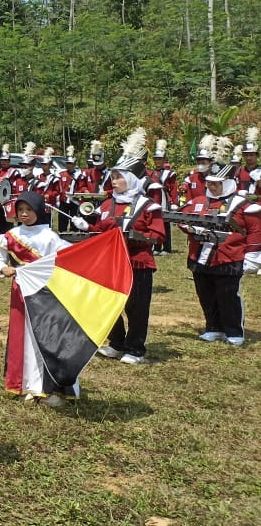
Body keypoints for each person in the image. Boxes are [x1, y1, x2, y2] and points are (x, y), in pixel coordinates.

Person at [75, 129, 165, 365]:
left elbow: (158, 236)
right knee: (109, 303)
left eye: (118, 177)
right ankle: (116, 343)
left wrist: (131, 235)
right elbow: (99, 230)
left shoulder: (148, 205)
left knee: (136, 307)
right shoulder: (107, 204)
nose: (113, 181)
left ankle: (135, 349)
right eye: (112, 177)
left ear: (132, 179)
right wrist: (86, 226)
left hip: (138, 263)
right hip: (111, 263)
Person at [0, 191, 75, 405]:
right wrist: (4, 268)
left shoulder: (50, 237)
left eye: (29, 209)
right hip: (20, 292)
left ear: (38, 210)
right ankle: (26, 384)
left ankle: (49, 388)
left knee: (45, 337)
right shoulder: (11, 234)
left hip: (45, 293)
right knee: (23, 337)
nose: (24, 214)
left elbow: (67, 258)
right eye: (20, 210)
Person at [175, 140, 261, 347]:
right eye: (209, 183)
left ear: (228, 183)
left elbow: (255, 231)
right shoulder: (198, 202)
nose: (211, 187)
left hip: (229, 258)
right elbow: (181, 218)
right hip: (200, 257)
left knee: (228, 296)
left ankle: (233, 330)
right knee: (206, 293)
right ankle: (213, 327)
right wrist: (190, 228)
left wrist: (253, 257)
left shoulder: (242, 204)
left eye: (216, 184)